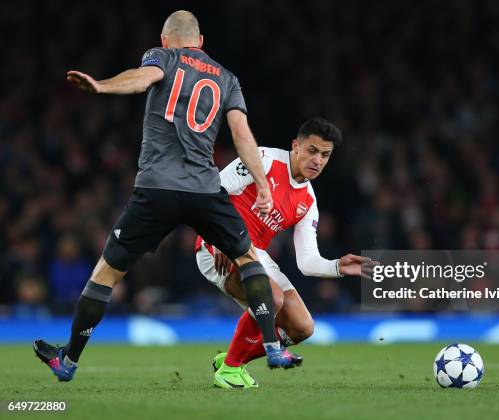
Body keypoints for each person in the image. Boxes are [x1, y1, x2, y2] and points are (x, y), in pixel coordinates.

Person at [33, 10, 294, 382]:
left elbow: (143, 79)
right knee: (247, 258)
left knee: (106, 274)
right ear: (200, 42)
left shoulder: (163, 56)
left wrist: (101, 86)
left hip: (156, 188)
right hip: (204, 188)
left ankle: (69, 360)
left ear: (165, 38)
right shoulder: (227, 78)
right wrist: (263, 184)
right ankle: (272, 347)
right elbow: (241, 133)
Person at [195, 117, 372, 388]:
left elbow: (307, 261)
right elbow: (213, 191)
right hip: (217, 247)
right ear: (296, 146)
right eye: (312, 151)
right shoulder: (263, 159)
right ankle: (230, 369)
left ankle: (232, 357)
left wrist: (338, 266)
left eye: (325, 155)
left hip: (256, 255)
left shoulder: (308, 201)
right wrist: (219, 238)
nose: (318, 160)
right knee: (272, 298)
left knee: (303, 327)